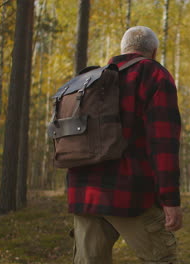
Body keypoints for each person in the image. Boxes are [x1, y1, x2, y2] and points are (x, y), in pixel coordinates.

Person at [66, 26, 182, 264]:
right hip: (130, 193)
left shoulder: (89, 80)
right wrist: (170, 200)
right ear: (154, 51)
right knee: (162, 259)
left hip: (84, 192)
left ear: (122, 49)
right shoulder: (153, 75)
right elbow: (164, 142)